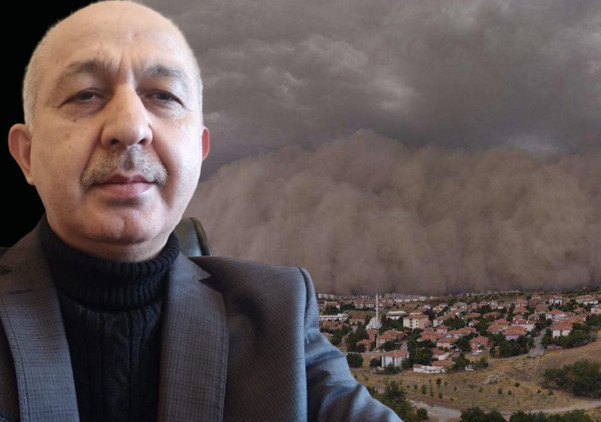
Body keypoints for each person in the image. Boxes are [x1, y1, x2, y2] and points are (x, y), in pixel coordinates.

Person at [1, 2, 400, 421]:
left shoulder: (279, 317)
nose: (130, 127)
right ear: (27, 155)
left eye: (163, 95)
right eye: (85, 94)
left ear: (200, 150)